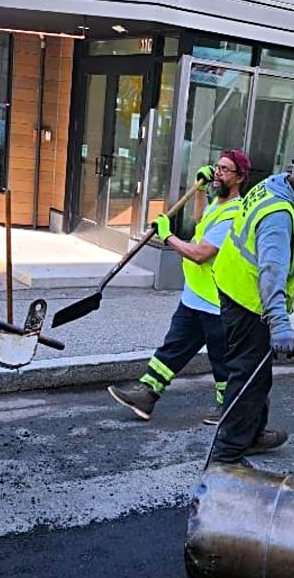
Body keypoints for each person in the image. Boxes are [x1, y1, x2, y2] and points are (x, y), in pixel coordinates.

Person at [208, 154, 294, 465]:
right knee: (248, 377)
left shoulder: (271, 185)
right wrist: (279, 325)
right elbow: (271, 272)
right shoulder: (279, 214)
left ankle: (252, 433)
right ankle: (228, 452)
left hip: (234, 288)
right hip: (249, 303)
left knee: (257, 374)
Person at [107, 149, 252, 423]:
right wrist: (200, 191)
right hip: (195, 296)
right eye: (217, 167)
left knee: (223, 362)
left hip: (217, 302)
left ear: (240, 178)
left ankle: (230, 411)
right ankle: (147, 394)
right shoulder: (219, 204)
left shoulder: (235, 214)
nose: (217, 173)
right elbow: (201, 221)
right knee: (172, 348)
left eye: (225, 170)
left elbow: (200, 253)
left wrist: (167, 236)